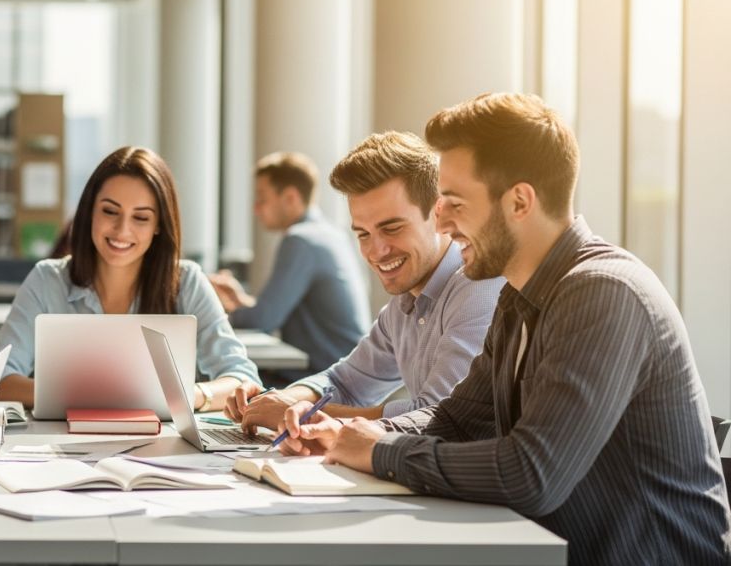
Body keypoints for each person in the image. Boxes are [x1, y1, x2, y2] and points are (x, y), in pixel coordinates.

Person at [279, 93, 731, 564]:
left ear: (519, 201)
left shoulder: (604, 293)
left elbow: (532, 474)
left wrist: (379, 451)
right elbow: (454, 419)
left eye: (453, 202)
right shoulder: (518, 296)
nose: (442, 221)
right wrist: (346, 434)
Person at [225, 132, 504, 432]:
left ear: (438, 213)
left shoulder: (478, 286)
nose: (377, 251)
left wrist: (299, 414)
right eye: (363, 234)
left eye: (392, 228)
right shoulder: (404, 302)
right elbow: (344, 381)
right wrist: (280, 400)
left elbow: (437, 416)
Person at [0, 146, 261, 411]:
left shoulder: (186, 281)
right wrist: (95, 396)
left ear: (159, 225)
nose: (122, 230)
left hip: (159, 451)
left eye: (140, 218)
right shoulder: (47, 279)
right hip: (60, 448)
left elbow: (243, 379)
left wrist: (188, 396)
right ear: (89, 212)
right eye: (110, 211)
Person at [208, 152, 370, 380]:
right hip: (343, 371)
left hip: (324, 378)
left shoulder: (301, 240)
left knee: (216, 377)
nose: (256, 209)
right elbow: (272, 313)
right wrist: (240, 302)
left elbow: (262, 321)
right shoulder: (329, 234)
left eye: (262, 199)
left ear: (291, 198)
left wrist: (208, 311)